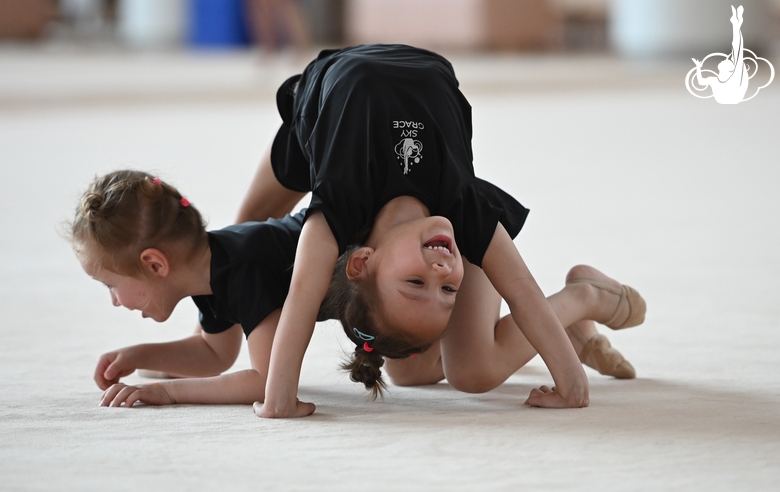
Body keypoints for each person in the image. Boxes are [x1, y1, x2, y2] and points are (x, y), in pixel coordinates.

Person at [254, 44, 646, 418]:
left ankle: (585, 298)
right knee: (408, 372)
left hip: (324, 93)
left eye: (415, 282)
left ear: (361, 259)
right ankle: (561, 325)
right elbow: (520, 286)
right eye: (448, 291)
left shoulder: (339, 200)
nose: (442, 273)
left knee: (471, 373)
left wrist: (278, 398)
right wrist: (571, 385)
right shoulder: (462, 206)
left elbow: (303, 290)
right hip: (392, 79)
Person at [70, 169, 309, 407]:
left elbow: (268, 382)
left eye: (111, 285)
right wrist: (136, 356)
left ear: (154, 265)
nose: (114, 300)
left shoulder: (244, 270)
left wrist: (168, 392)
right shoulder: (211, 270)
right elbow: (214, 353)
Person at [692, 5, 748, 104]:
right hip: (729, 100)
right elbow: (701, 82)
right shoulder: (716, 80)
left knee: (737, 50)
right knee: (737, 50)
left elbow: (737, 49)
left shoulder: (733, 78)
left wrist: (736, 26)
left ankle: (736, 23)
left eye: (727, 61)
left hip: (731, 99)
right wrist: (698, 67)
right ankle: (736, 23)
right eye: (728, 60)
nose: (725, 59)